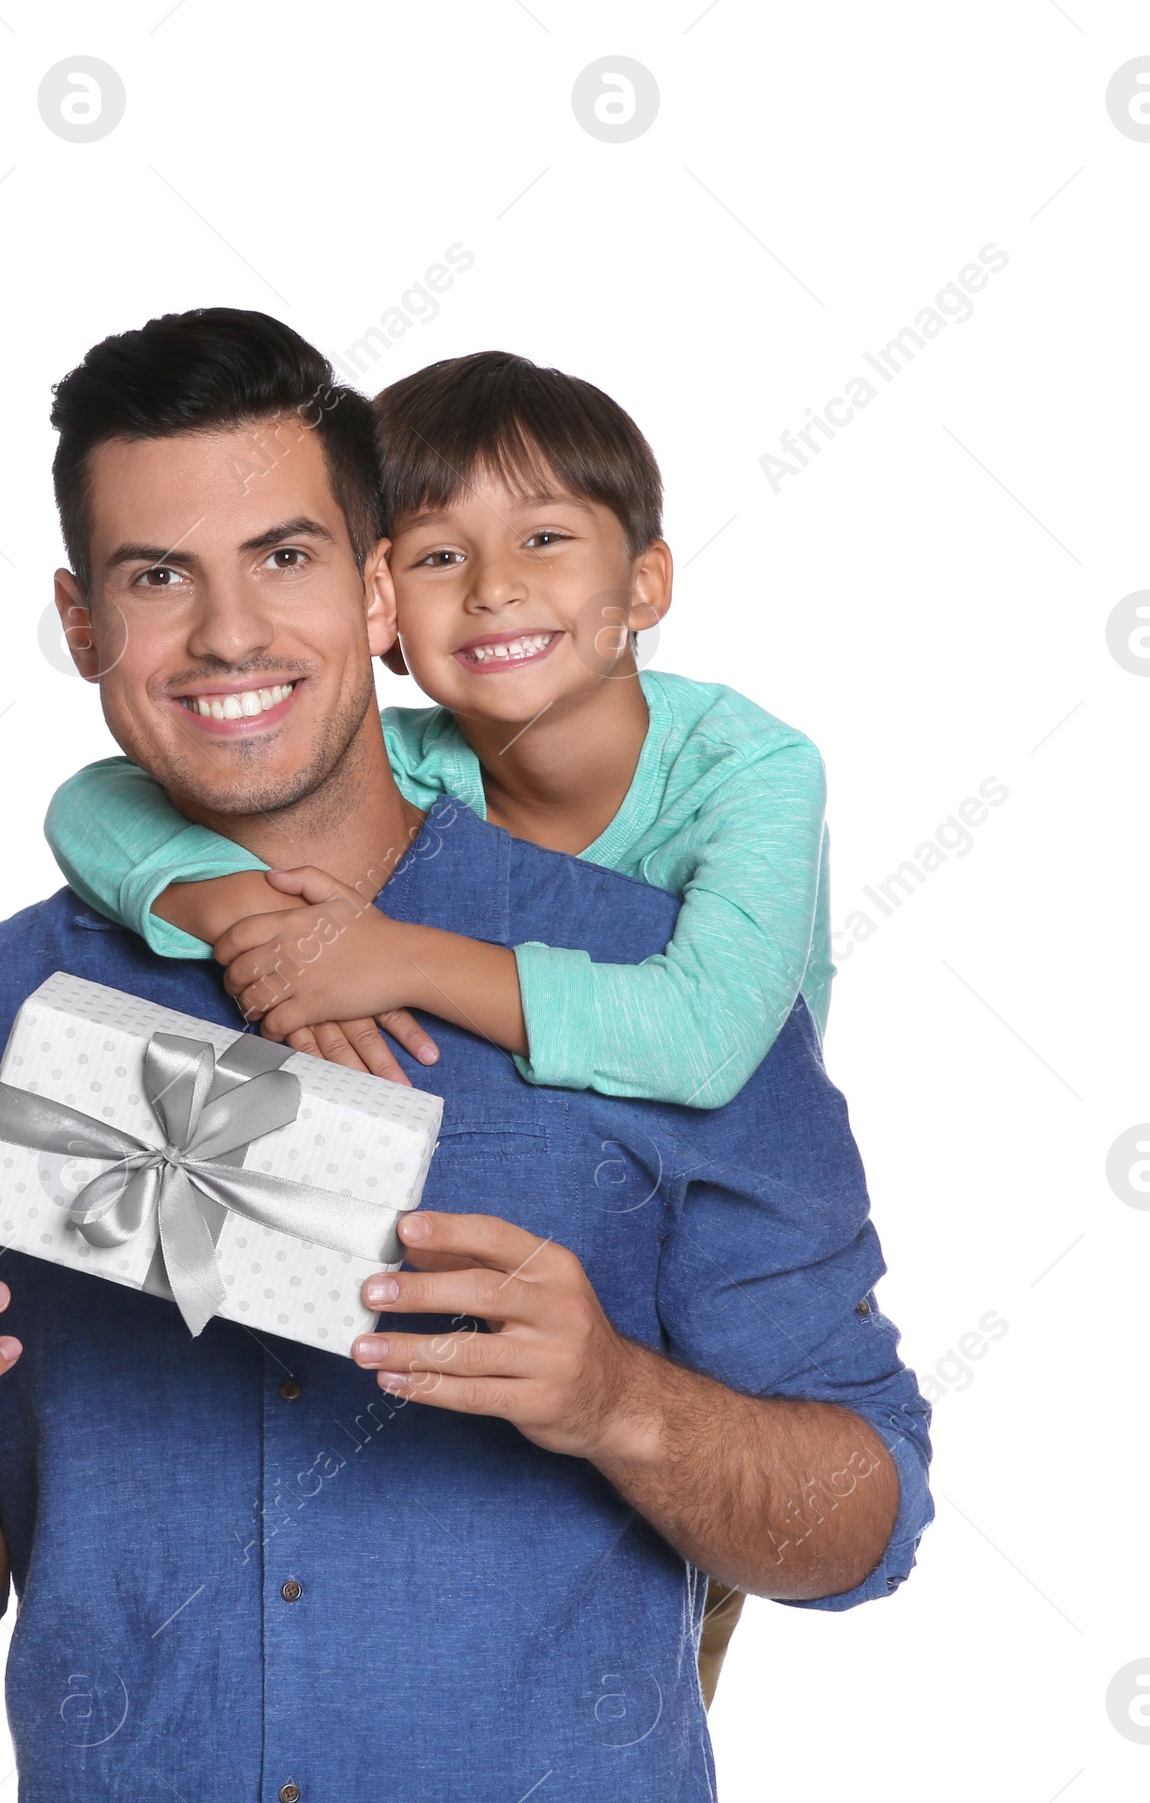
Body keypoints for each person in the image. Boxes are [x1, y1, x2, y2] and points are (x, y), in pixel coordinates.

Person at [0, 308, 932, 1801]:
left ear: (376, 585)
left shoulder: (664, 976)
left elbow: (864, 1526)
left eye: (284, 556)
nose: (230, 635)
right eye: (156, 577)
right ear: (82, 626)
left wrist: (615, 1402)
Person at [43, 349, 839, 1691]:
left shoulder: (749, 770)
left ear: (644, 581)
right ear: (379, 608)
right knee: (110, 1152)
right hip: (448, 1221)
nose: (495, 589)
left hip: (691, 1219)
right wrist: (237, 909)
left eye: (543, 540)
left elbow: (707, 1041)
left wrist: (388, 954)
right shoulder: (408, 759)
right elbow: (95, 800)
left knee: (639, 1600)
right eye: (436, 557)